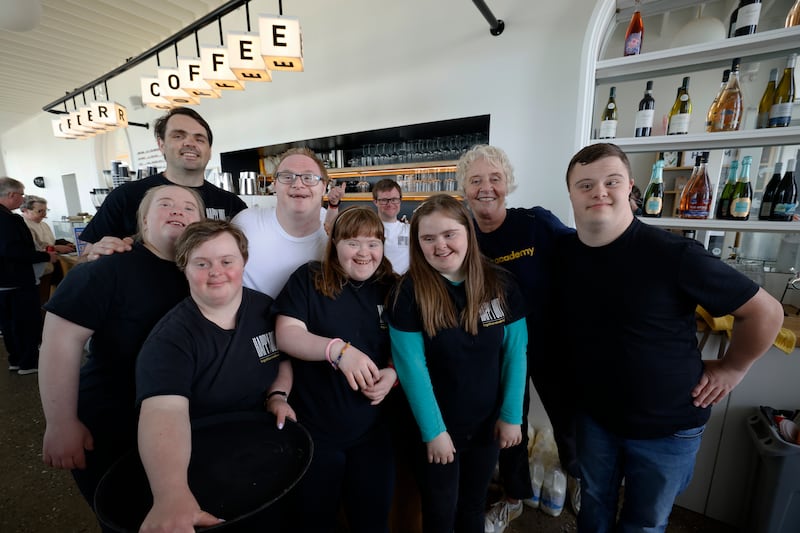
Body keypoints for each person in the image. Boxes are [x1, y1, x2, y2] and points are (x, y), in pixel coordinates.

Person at [556, 143, 783, 533]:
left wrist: (733, 368)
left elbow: (766, 312)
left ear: (630, 186)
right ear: (572, 194)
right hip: (596, 418)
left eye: (611, 181)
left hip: (668, 425)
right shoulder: (564, 252)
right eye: (585, 185)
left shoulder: (673, 253)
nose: (599, 192)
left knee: (645, 523)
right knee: (593, 507)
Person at [38, 185, 204, 523]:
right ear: (143, 220)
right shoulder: (105, 268)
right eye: (165, 204)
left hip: (182, 427)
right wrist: (60, 423)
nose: (178, 210)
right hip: (114, 423)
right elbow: (59, 343)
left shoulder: (203, 273)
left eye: (189, 208)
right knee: (129, 518)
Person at [135, 220, 294, 532]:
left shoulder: (265, 309)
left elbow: (283, 360)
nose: (216, 272)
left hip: (261, 452)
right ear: (184, 268)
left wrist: (278, 395)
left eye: (226, 261)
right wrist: (171, 493)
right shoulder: (171, 339)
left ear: (243, 262)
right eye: (202, 263)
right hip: (201, 465)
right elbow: (163, 412)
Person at [387, 194, 528, 533]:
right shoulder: (407, 293)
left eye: (449, 234)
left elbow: (516, 353)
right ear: (417, 243)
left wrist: (511, 416)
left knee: (473, 505)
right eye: (428, 238)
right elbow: (411, 367)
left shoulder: (501, 283)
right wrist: (434, 432)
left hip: (486, 425)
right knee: (440, 511)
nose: (440, 245)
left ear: (468, 233)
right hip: (434, 427)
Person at [456, 145, 578, 532]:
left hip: (551, 341)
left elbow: (581, 254)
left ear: (507, 183)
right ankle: (513, 498)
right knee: (510, 423)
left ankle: (580, 478)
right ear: (464, 188)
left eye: (495, 178)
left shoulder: (536, 223)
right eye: (475, 180)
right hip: (500, 349)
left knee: (568, 418)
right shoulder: (463, 235)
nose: (486, 187)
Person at [274, 206, 398, 532]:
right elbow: (286, 334)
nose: (364, 253)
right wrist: (338, 351)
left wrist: (392, 374)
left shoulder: (392, 286)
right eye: (352, 243)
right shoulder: (309, 278)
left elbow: (408, 346)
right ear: (335, 244)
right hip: (315, 431)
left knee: (373, 523)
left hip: (373, 432)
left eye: (373, 243)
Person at [79, 107, 246, 259]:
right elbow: (84, 259)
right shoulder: (126, 196)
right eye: (178, 136)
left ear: (209, 151)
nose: (190, 143)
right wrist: (93, 257)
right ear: (161, 144)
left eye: (200, 139)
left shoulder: (232, 204)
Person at [233, 147, 344, 298]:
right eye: (287, 177)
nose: (298, 184)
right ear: (275, 185)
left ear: (324, 186)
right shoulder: (245, 223)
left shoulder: (339, 230)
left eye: (309, 177)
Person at [0, 177, 57, 375]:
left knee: (8, 323)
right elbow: (14, 251)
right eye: (21, 194)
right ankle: (28, 362)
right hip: (17, 279)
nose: (23, 198)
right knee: (26, 322)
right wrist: (46, 256)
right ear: (11, 195)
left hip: (3, 282)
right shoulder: (8, 220)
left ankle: (15, 359)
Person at [20, 194, 75, 290]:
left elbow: (48, 241)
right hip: (37, 268)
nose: (44, 215)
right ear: (25, 210)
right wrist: (56, 248)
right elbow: (33, 248)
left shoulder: (44, 224)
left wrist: (64, 244)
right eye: (40, 211)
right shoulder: (23, 225)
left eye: (46, 210)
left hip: (50, 264)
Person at [372, 178, 410, 274]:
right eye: (384, 200)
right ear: (375, 202)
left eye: (394, 199)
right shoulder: (367, 229)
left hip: (403, 282)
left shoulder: (409, 230)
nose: (390, 204)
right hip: (375, 281)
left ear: (400, 200)